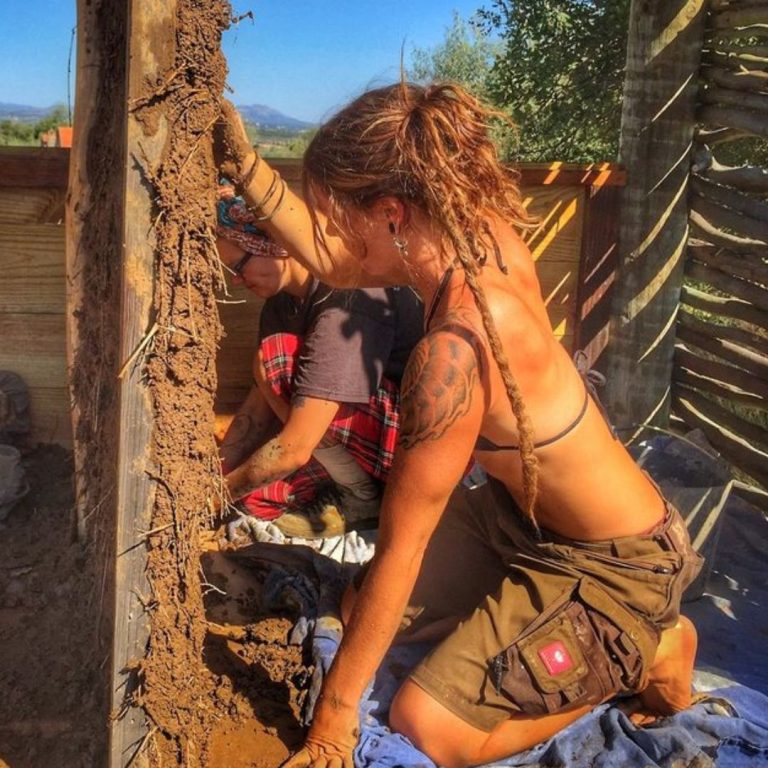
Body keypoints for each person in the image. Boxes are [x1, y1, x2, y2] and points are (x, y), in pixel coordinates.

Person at [214, 82, 703, 768]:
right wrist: (245, 163)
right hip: (514, 515)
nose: (327, 236)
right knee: (357, 617)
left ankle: (648, 649)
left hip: (613, 562)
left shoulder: (455, 351)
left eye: (334, 215)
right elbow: (335, 260)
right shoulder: (473, 238)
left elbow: (401, 550)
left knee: (426, 724)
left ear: (390, 213)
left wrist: (332, 724)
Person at [216, 184, 423, 538]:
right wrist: (216, 479)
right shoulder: (280, 308)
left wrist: (213, 500)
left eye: (239, 265)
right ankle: (347, 487)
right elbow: (254, 415)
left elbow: (293, 450)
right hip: (347, 447)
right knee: (255, 502)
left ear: (274, 244)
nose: (237, 280)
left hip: (410, 449)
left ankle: (361, 501)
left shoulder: (345, 301)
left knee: (275, 358)